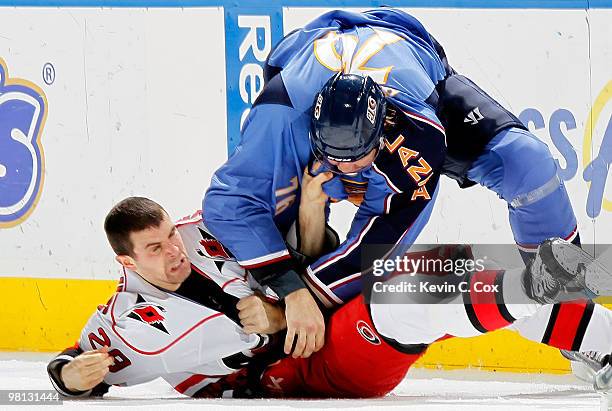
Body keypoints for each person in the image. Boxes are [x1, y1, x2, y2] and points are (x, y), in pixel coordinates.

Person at [202, 7, 582, 360]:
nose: (347, 169)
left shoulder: (419, 134)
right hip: (308, 67)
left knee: (527, 163)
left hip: (415, 62)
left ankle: (574, 310)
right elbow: (226, 204)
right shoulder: (281, 119)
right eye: (335, 159)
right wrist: (291, 288)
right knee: (274, 220)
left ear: (383, 129)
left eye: (358, 161)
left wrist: (302, 300)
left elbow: (377, 248)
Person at [47, 186, 612, 398]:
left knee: (434, 270)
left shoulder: (205, 229)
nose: (175, 252)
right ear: (126, 261)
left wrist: (312, 210)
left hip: (323, 327)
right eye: (154, 250)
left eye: (171, 235)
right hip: (288, 375)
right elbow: (77, 366)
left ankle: (592, 332)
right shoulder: (127, 321)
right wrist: (68, 378)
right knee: (406, 297)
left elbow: (304, 252)